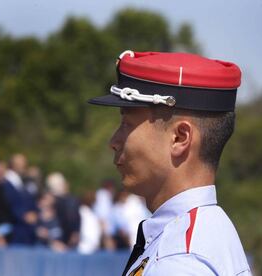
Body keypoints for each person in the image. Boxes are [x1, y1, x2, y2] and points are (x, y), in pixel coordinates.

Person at [89, 50, 251, 275]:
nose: (114, 141)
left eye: (126, 123)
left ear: (180, 138)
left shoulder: (180, 261)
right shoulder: (202, 231)